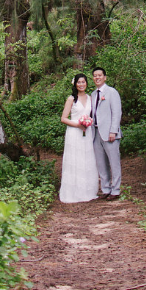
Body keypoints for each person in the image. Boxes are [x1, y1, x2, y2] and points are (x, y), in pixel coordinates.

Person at [59, 72, 99, 203]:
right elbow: (63, 119)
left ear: (86, 83)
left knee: (86, 159)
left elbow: (93, 114)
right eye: (79, 82)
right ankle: (73, 192)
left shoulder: (90, 97)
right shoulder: (71, 99)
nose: (81, 84)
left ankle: (87, 190)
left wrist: (88, 123)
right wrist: (78, 124)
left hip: (87, 132)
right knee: (74, 160)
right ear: (75, 84)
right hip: (74, 133)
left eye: (83, 82)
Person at [91, 64, 122, 199]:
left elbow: (117, 112)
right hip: (96, 133)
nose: (97, 78)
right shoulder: (92, 94)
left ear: (104, 77)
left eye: (100, 75)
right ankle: (105, 189)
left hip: (109, 133)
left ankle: (116, 190)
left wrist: (113, 131)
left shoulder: (112, 92)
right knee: (101, 163)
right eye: (95, 76)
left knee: (114, 162)